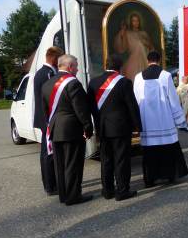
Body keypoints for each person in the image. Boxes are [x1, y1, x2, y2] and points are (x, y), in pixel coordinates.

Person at [88, 56, 142, 201]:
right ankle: (122, 190)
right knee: (121, 159)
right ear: (120, 67)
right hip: (120, 127)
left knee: (106, 160)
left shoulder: (93, 82)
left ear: (106, 66)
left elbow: (91, 108)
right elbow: (132, 106)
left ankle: (107, 190)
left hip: (103, 128)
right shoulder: (124, 82)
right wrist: (138, 125)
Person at [42, 55, 93, 205]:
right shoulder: (73, 83)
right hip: (71, 130)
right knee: (73, 164)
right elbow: (81, 109)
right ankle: (73, 196)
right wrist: (88, 127)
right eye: (76, 66)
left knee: (60, 165)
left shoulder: (46, 84)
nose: (77, 69)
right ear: (70, 67)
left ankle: (63, 195)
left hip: (55, 129)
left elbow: (45, 110)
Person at [133, 51, 188, 187]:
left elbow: (135, 99)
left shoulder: (138, 77)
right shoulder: (166, 76)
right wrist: (179, 118)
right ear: (159, 60)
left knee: (150, 151)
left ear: (148, 60)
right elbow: (173, 99)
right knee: (167, 148)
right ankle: (169, 176)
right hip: (163, 119)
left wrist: (136, 121)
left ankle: (150, 179)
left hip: (146, 121)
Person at [33, 46, 63, 196]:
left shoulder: (44, 72)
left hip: (47, 118)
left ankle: (52, 183)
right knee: (48, 152)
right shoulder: (47, 73)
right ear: (53, 58)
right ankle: (50, 185)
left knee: (48, 151)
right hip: (47, 119)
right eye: (59, 58)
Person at [114, 13, 155, 80]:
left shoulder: (144, 33)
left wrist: (144, 43)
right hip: (133, 61)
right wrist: (122, 32)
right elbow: (123, 48)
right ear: (131, 22)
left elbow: (151, 47)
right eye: (133, 21)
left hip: (145, 60)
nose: (136, 23)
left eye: (137, 20)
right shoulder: (127, 33)